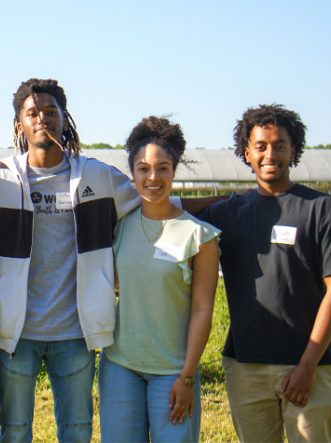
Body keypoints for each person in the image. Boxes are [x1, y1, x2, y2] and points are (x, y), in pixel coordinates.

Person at [0, 78, 225, 443]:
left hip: (76, 334)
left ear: (64, 119)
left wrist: (234, 201)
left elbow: (155, 201)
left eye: (52, 112)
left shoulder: (97, 176)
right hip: (16, 333)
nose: (43, 119)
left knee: (77, 431)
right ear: (19, 124)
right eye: (33, 113)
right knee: (14, 430)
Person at [198, 104, 331, 442]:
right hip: (246, 366)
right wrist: (230, 196)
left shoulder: (321, 209)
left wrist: (307, 365)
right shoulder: (228, 213)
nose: (270, 153)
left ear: (294, 150)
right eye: (260, 146)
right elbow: (169, 209)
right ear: (247, 152)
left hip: (307, 366)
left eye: (280, 145)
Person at [98, 117, 220, 443]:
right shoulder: (119, 227)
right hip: (120, 366)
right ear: (132, 175)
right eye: (143, 168)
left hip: (173, 371)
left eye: (162, 168)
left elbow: (202, 310)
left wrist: (188, 376)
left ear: (174, 171)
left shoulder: (200, 237)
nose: (153, 177)